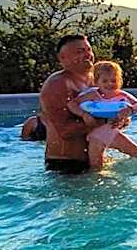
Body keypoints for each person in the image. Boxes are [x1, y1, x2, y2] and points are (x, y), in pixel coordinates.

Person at [66, 60, 137, 169]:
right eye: (105, 81)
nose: (110, 84)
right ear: (96, 81)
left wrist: (130, 110)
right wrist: (84, 115)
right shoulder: (93, 95)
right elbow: (72, 104)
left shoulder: (122, 95)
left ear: (119, 81)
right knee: (96, 169)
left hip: (110, 132)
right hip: (96, 136)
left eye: (113, 81)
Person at [40, 34, 102, 174]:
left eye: (88, 50)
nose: (87, 55)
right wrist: (104, 121)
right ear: (63, 58)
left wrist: (120, 118)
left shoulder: (96, 81)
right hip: (66, 165)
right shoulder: (58, 84)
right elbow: (65, 131)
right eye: (80, 52)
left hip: (93, 159)